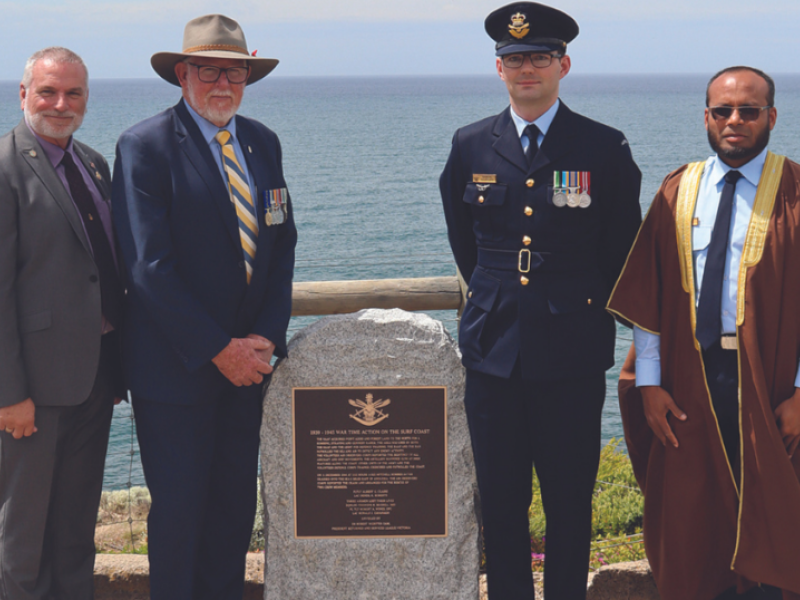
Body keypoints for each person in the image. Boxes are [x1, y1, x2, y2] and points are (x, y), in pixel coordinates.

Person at [439, 3, 642, 599]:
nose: (526, 68)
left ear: (563, 65)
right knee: (501, 502)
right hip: (493, 352)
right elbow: (465, 241)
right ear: (498, 69)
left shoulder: (603, 146)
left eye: (539, 58)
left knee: (568, 500)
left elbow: (619, 248)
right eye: (514, 59)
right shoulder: (472, 143)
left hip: (572, 354)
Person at [111, 14, 297, 600]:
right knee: (181, 514)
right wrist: (219, 350)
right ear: (182, 74)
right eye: (211, 71)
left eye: (236, 72)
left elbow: (282, 242)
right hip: (179, 372)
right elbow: (149, 267)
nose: (224, 84)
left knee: (233, 514)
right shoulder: (144, 146)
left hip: (249, 370)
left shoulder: (263, 142)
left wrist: (266, 335)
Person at [608, 66, 800, 600]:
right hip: (690, 380)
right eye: (722, 111)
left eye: (749, 111)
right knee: (692, 517)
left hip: (772, 379)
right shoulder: (678, 190)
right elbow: (651, 298)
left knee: (774, 510)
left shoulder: (797, 190)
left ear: (771, 117)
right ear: (707, 117)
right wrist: (649, 384)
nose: (734, 121)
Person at [0, 47, 125, 599]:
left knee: (75, 529)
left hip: (93, 381)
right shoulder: (5, 168)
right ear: (23, 94)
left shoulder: (93, 163)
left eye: (73, 93)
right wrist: (10, 394)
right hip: (32, 394)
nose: (60, 104)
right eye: (47, 91)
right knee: (20, 538)